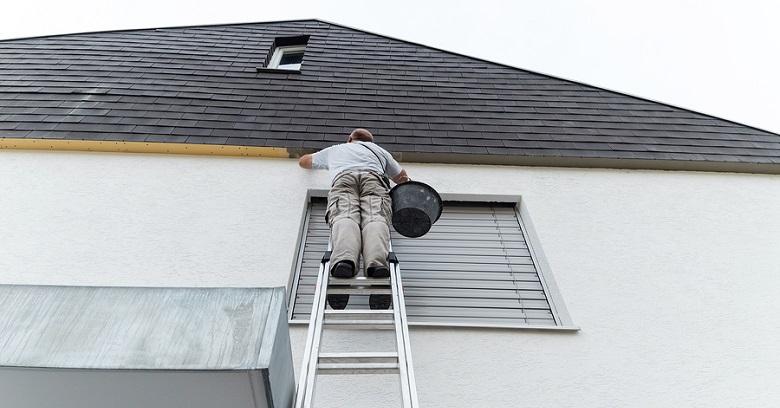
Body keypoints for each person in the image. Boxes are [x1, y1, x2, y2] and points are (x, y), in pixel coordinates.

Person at [298, 128, 410, 310]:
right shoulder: (380, 152)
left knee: (345, 217)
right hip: (374, 180)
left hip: (344, 180)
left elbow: (304, 162)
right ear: (370, 142)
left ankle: (345, 261)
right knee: (375, 219)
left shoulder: (337, 149)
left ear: (350, 139)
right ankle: (377, 266)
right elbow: (402, 177)